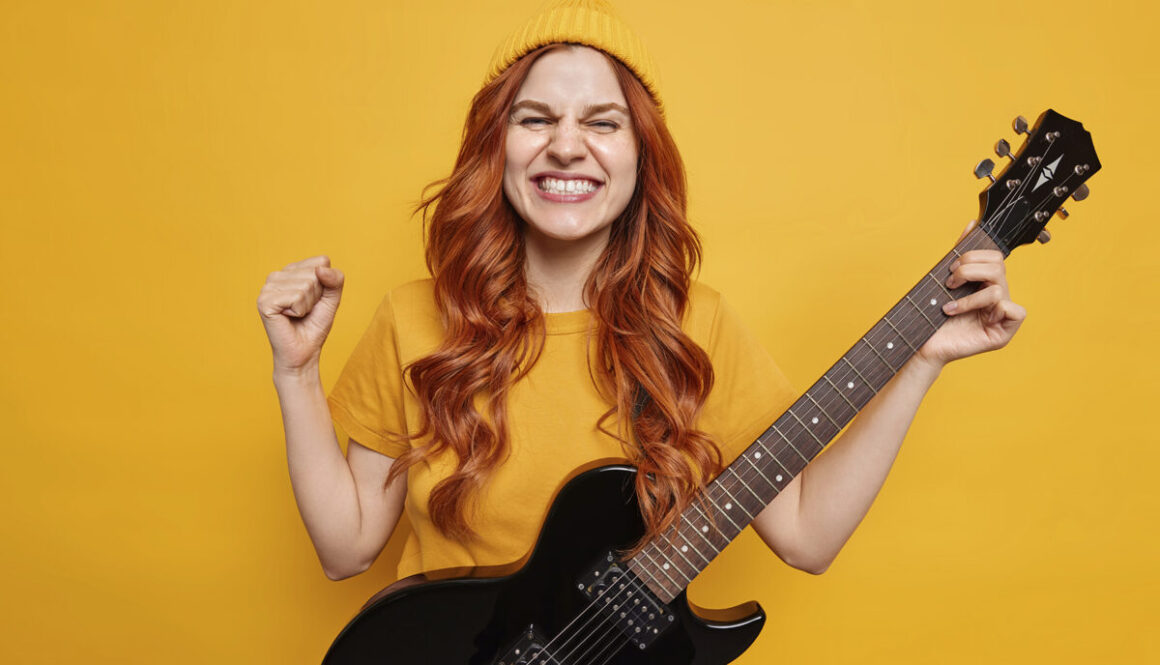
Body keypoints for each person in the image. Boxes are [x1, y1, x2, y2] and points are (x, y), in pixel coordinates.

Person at [257, 0, 1024, 589]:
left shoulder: (697, 325)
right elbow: (344, 548)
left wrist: (922, 359)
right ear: (498, 146)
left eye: (603, 122)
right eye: (535, 119)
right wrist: (295, 374)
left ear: (639, 156)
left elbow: (807, 537)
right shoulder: (412, 318)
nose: (566, 145)